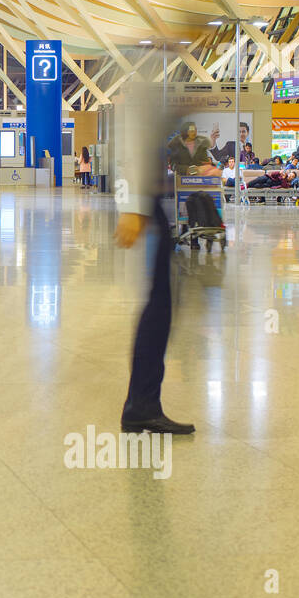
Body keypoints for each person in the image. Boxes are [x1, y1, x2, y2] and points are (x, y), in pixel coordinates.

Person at [114, 78, 195, 435]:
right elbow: (137, 145)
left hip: (152, 207)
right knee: (158, 307)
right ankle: (141, 406)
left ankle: (144, 403)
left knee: (161, 305)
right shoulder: (144, 71)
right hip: (147, 209)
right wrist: (133, 206)